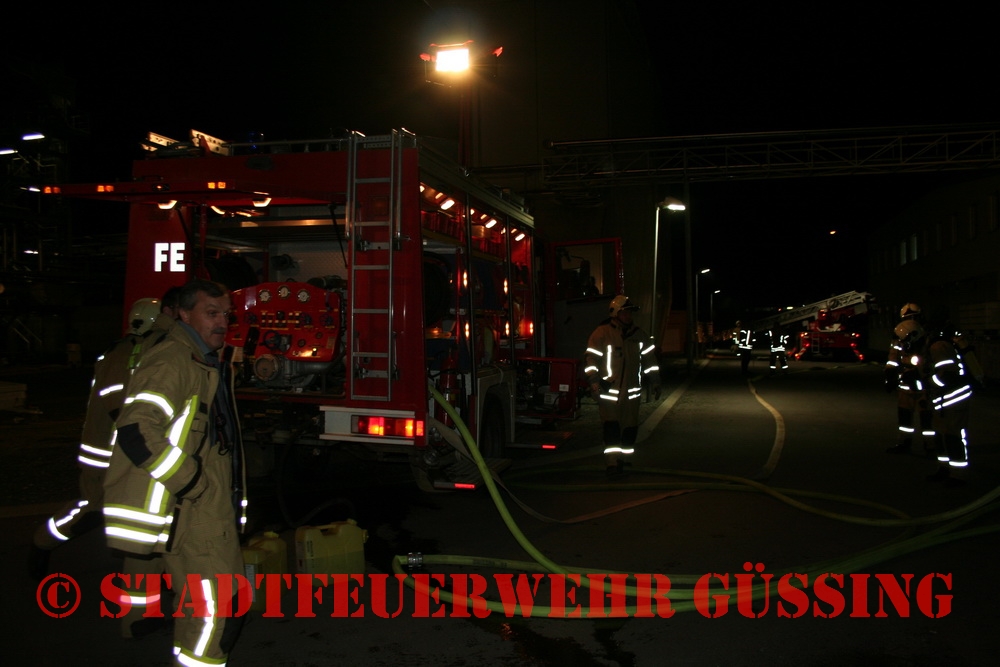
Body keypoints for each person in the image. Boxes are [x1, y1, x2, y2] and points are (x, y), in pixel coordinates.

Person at [102, 279, 248, 666]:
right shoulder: (173, 360)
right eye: (211, 313)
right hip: (192, 510)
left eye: (226, 314)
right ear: (183, 314)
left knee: (208, 607)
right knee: (216, 610)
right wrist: (193, 483)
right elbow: (136, 430)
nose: (222, 322)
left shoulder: (202, 359)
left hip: (203, 507)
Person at [29, 289, 182, 635]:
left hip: (122, 457)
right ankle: (42, 542)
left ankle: (145, 608)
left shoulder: (139, 350)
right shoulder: (122, 355)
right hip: (104, 457)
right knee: (90, 511)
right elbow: (122, 408)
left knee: (144, 530)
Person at [584, 295, 661, 476]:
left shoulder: (639, 335)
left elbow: (650, 361)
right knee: (611, 429)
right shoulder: (602, 333)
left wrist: (656, 381)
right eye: (624, 312)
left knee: (630, 429)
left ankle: (624, 460)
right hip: (609, 393)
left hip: (632, 395)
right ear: (615, 313)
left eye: (629, 312)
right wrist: (594, 381)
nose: (628, 316)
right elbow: (591, 358)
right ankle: (612, 464)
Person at [924, 327, 980, 485]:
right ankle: (944, 469)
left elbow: (947, 376)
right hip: (946, 399)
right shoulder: (944, 345)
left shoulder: (939, 347)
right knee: (942, 436)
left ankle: (958, 475)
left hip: (953, 399)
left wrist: (927, 381)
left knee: (952, 437)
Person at [884, 319, 934, 455]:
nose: (903, 343)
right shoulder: (902, 343)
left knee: (926, 419)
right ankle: (903, 443)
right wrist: (890, 375)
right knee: (904, 417)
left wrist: (919, 374)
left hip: (924, 390)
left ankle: (930, 445)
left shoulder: (929, 346)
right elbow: (893, 359)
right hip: (905, 388)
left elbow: (930, 368)